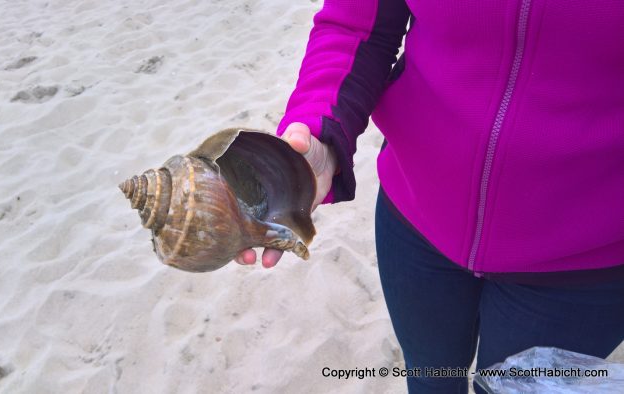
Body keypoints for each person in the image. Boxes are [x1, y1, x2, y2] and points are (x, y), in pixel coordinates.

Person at [237, 1, 624, 392]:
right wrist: (321, 129)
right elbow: (357, 26)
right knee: (430, 375)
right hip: (415, 221)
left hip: (585, 264)